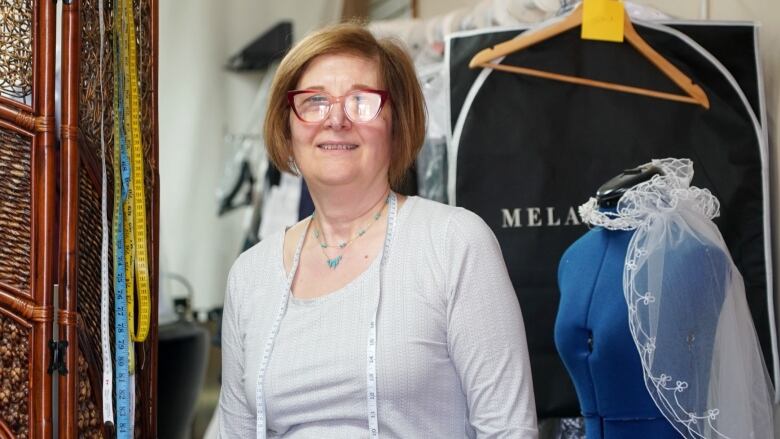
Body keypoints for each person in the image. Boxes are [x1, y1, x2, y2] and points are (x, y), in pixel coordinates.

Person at [216, 22, 537, 438]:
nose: (336, 120)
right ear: (288, 126)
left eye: (360, 101)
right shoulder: (250, 274)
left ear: (396, 123)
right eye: (314, 101)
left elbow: (509, 429)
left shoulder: (454, 244)